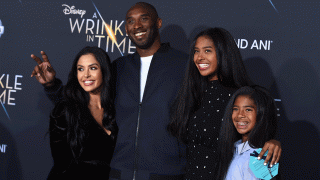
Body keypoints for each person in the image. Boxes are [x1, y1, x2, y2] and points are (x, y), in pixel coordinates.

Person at [31, 2, 188, 180]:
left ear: (158, 23)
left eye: (144, 19)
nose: (137, 26)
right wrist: (52, 86)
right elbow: (84, 99)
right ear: (126, 28)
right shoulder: (119, 67)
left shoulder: (183, 65)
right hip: (119, 173)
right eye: (130, 21)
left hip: (166, 173)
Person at [167, 27, 281, 179]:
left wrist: (274, 142)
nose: (199, 57)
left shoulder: (240, 96)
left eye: (207, 51)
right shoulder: (192, 93)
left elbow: (259, 138)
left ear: (223, 53)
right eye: (196, 51)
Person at [43, 46, 117, 179]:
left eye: (93, 68)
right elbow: (62, 165)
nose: (86, 75)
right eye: (80, 69)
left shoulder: (115, 108)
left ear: (104, 71)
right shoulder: (64, 110)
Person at [215, 86, 279, 180]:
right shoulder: (232, 148)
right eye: (235, 109)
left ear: (262, 113)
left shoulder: (261, 157)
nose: (240, 115)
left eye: (248, 109)